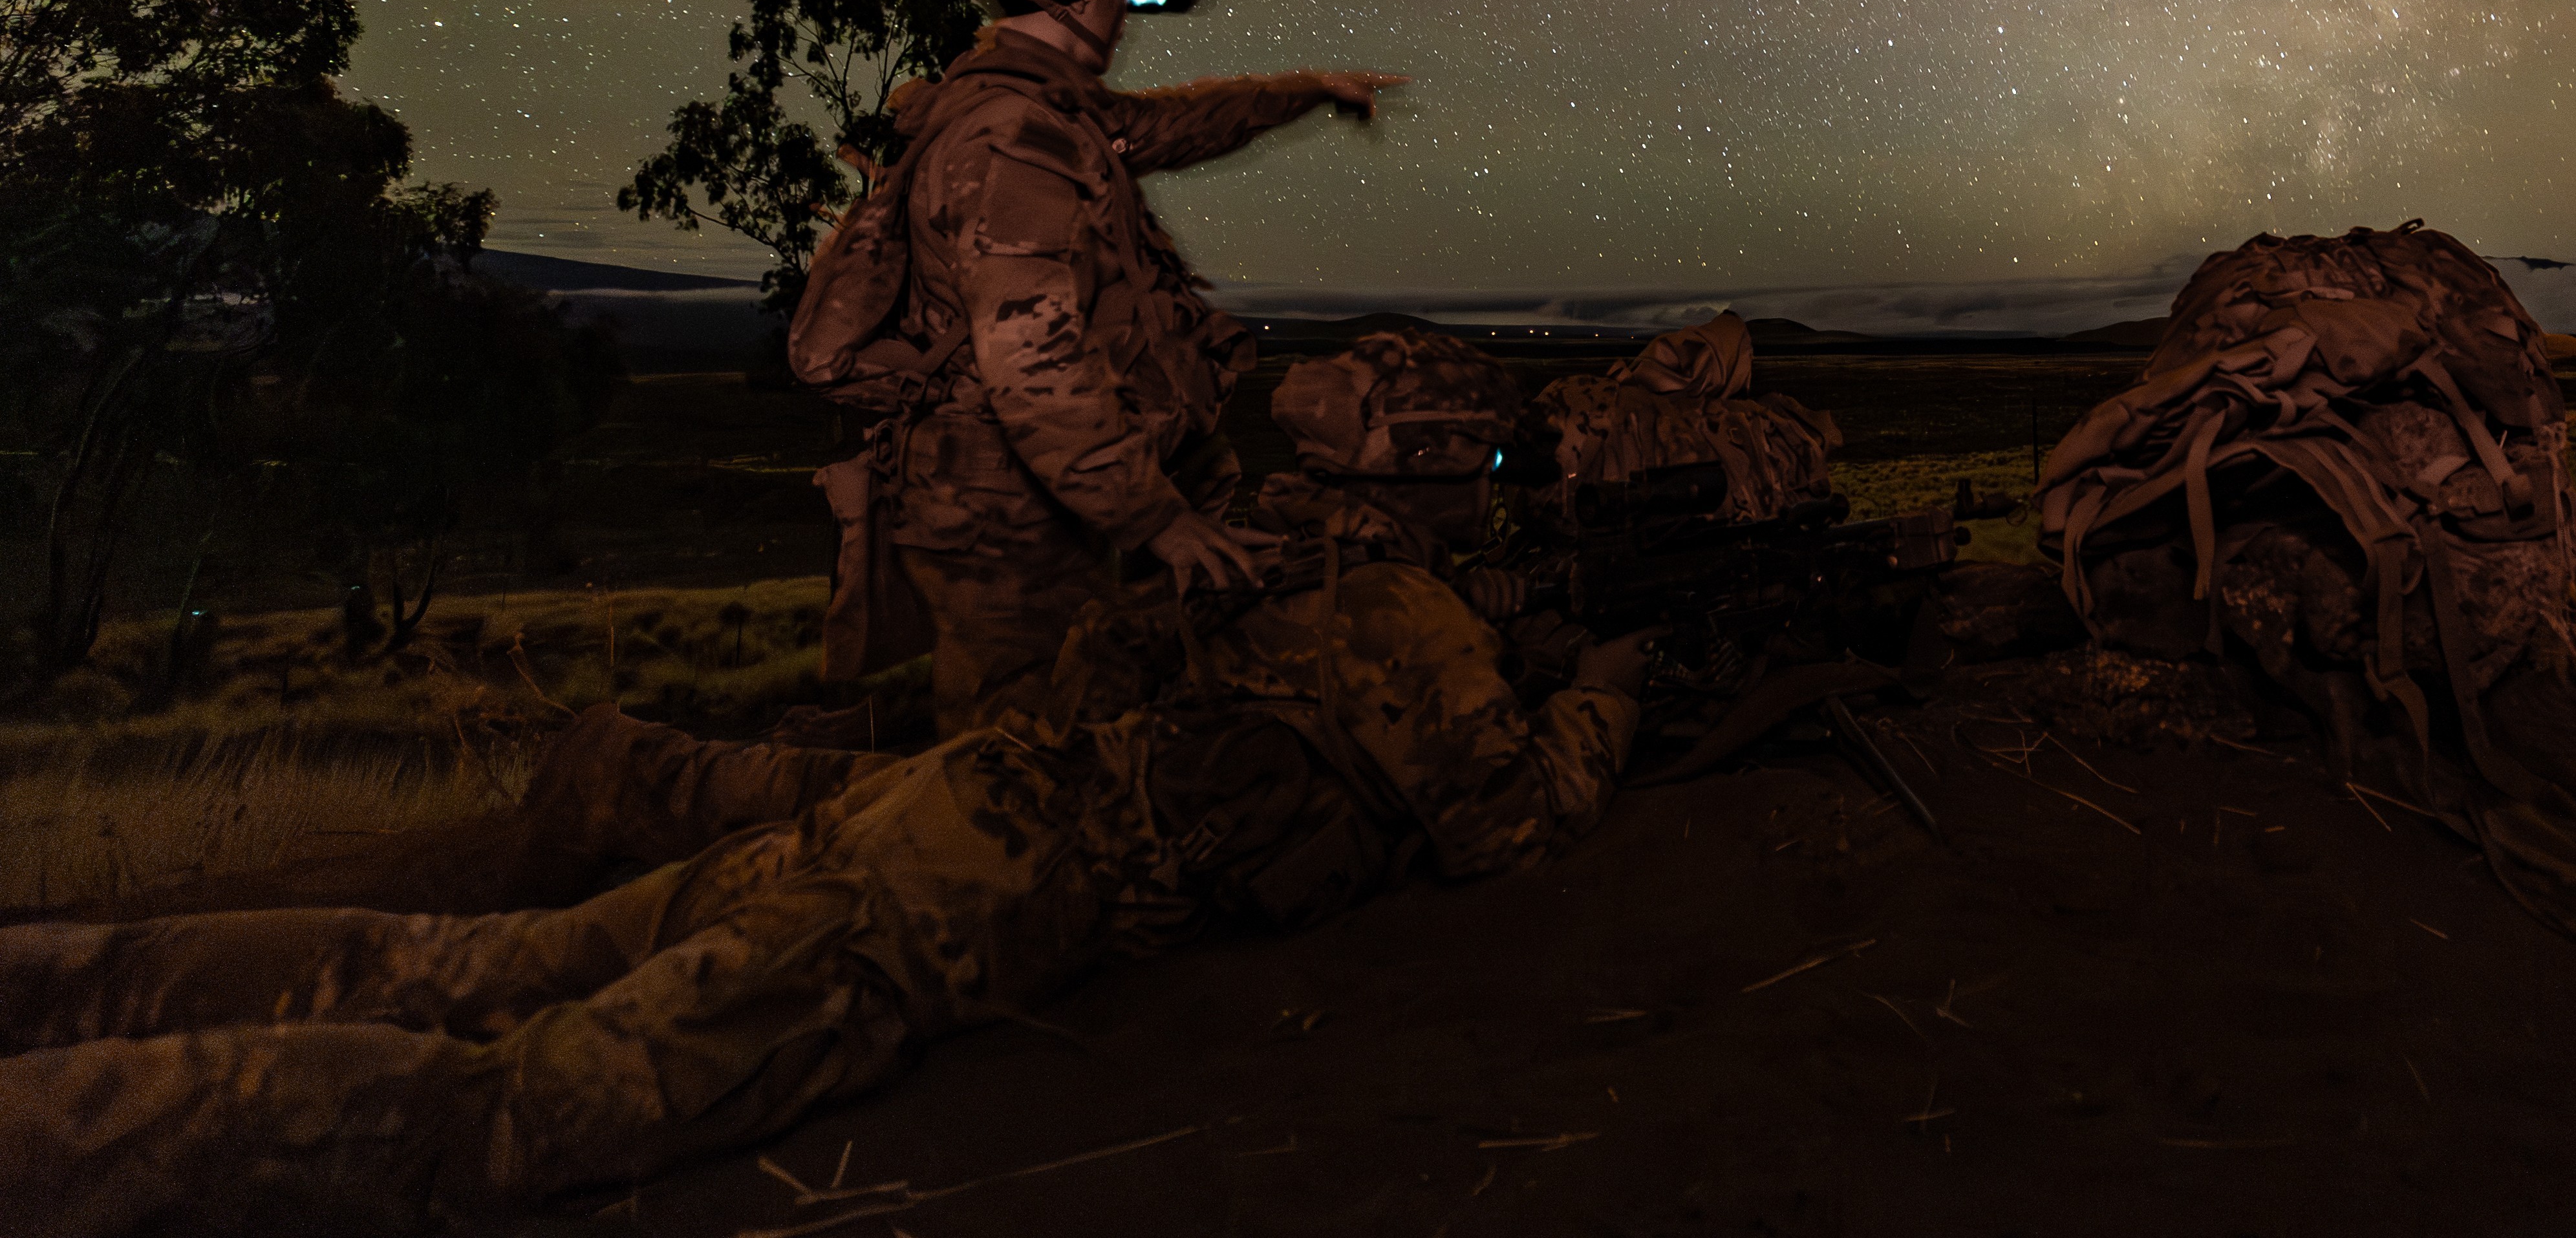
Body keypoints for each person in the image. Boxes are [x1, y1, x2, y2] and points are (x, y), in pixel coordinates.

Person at [0, 361, 1649, 1238]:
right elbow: (1505, 828)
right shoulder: (1403, 613)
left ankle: (54, 980)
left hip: (928, 809)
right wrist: (1598, 704)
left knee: (482, 964)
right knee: (502, 1116)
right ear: (1443, 464)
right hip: (931, 915)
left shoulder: (1240, 542)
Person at [849, 0, 1405, 733]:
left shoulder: (1045, 111)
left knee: (1096, 723)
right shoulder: (1013, 137)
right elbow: (1030, 362)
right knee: (1019, 770)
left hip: (1043, 490)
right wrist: (1158, 523)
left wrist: (1304, 92)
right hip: (1007, 511)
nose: (1129, 13)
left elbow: (1170, 126)